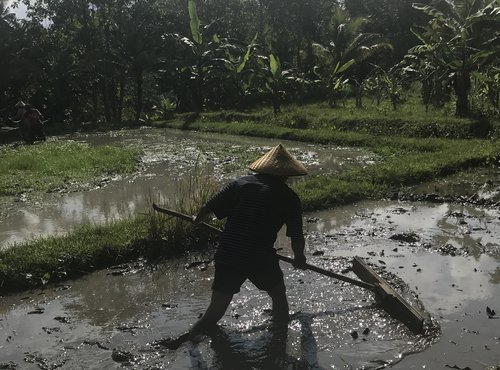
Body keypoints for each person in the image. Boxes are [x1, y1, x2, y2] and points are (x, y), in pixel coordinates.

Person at [162, 143, 308, 349]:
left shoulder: (240, 184)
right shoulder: (290, 198)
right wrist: (299, 257)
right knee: (279, 297)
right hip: (260, 257)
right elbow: (296, 236)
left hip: (228, 252)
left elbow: (207, 208)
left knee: (215, 310)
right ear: (287, 175)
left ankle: (185, 340)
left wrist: (197, 220)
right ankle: (278, 346)